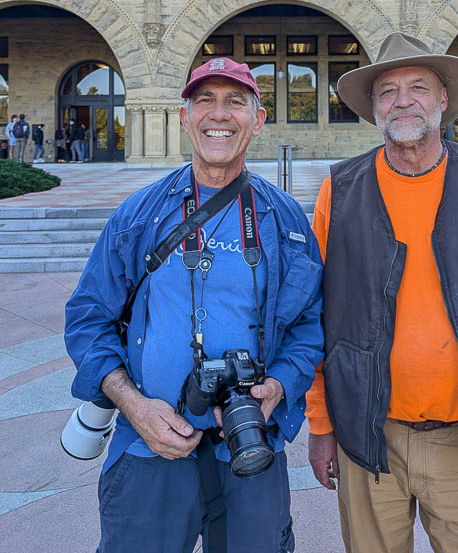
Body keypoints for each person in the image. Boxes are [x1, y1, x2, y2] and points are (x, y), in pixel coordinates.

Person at [306, 31, 458, 553]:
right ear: (373, 107)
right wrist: (321, 422)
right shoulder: (341, 189)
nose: (402, 101)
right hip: (367, 435)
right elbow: (318, 316)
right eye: (387, 91)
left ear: (443, 99)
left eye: (418, 87)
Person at [65, 57, 324, 553]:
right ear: (184, 116)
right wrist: (134, 406)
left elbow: (310, 327)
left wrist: (278, 388)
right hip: (147, 447)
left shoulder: (285, 220)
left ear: (259, 119)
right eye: (204, 100)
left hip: (249, 446)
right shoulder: (141, 213)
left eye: (235, 101)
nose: (218, 114)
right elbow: (87, 319)